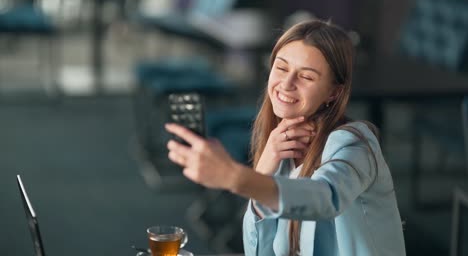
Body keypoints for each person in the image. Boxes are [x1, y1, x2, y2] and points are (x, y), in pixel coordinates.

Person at [165, 20, 406, 256]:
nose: (287, 84)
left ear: (334, 92)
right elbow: (258, 248)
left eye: (306, 77)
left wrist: (235, 177)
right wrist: (264, 167)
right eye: (281, 68)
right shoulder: (281, 143)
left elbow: (325, 198)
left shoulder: (355, 146)